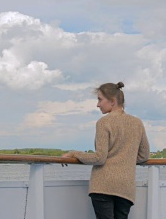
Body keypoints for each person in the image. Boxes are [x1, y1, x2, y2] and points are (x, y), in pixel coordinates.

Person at [62, 82, 150, 219]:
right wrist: (125, 159)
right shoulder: (137, 122)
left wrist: (74, 153)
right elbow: (144, 155)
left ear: (112, 101)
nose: (98, 104)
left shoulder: (104, 122)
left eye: (100, 99)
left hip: (103, 186)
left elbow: (99, 158)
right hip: (125, 187)